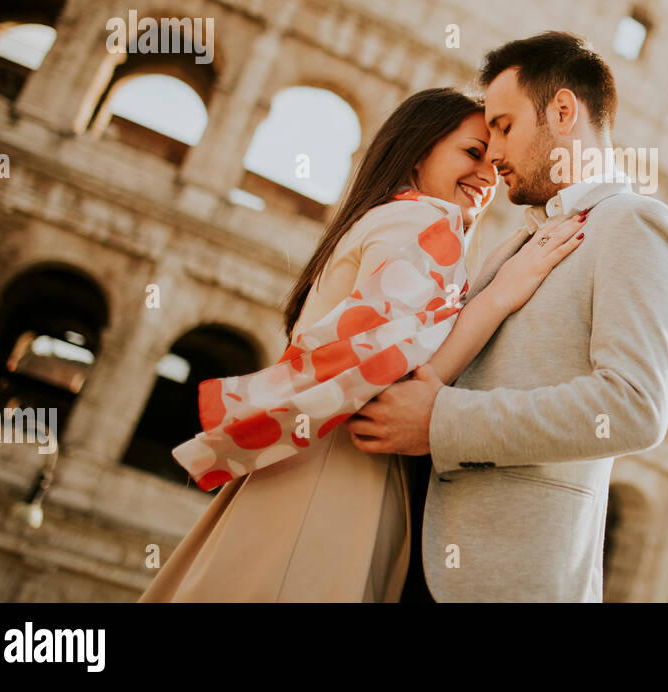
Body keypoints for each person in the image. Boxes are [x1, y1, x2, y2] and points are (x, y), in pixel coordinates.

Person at [139, 87, 587, 602]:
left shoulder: (384, 217)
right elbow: (397, 379)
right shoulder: (425, 222)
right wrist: (506, 290)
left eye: (494, 159)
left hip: (306, 469)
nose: (487, 175)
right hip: (338, 483)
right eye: (470, 152)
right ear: (418, 149)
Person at [346, 31, 668, 601]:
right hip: (422, 557)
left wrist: (441, 421)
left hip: (510, 574)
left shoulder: (633, 224)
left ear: (563, 111)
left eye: (505, 127)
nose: (496, 154)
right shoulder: (517, 243)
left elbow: (633, 406)